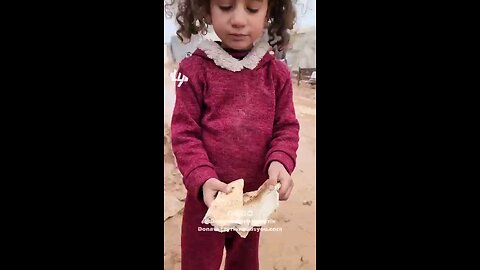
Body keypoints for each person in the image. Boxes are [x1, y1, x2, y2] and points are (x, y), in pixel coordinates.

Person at [166, 0, 299, 269]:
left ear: (270, 12)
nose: (238, 20)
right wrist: (202, 179)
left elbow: (285, 127)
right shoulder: (192, 70)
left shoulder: (277, 74)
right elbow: (184, 132)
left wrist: (280, 162)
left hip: (253, 200)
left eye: (252, 9)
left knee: (245, 263)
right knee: (199, 264)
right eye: (226, 6)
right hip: (206, 201)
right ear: (205, 9)